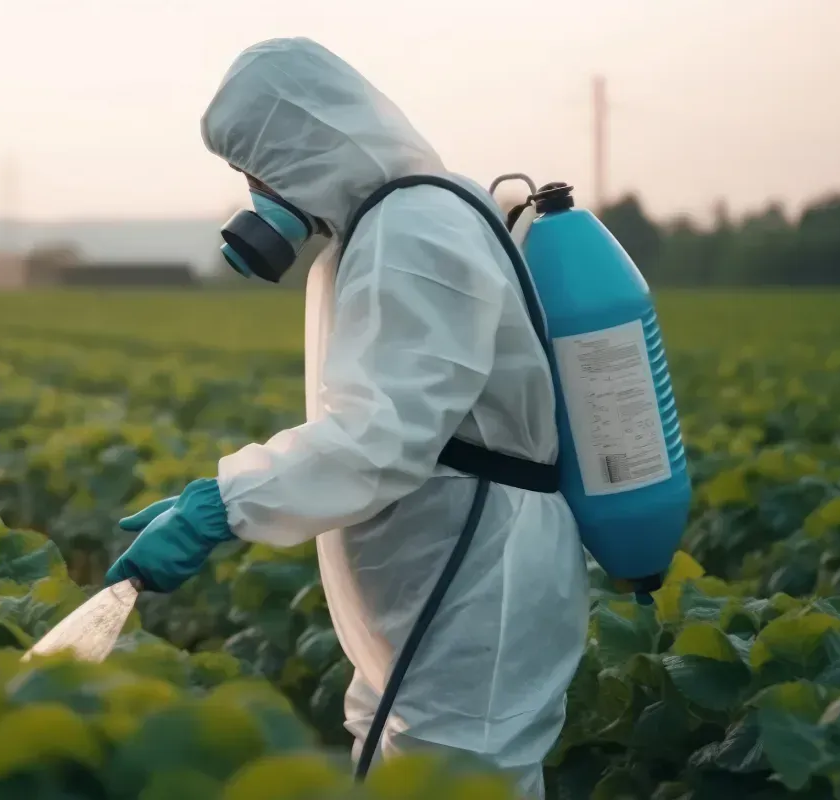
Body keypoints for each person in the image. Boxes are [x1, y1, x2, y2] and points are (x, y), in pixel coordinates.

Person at [105, 37, 589, 799]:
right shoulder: (381, 224)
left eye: (256, 168)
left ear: (300, 145)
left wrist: (225, 504)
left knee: (456, 783)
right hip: (433, 588)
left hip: (475, 583)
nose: (256, 190)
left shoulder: (417, 226)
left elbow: (382, 437)